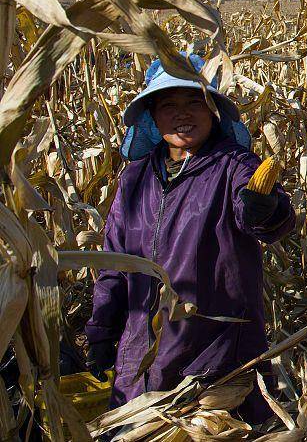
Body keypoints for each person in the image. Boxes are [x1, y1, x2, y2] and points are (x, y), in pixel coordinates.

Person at [85, 53, 295, 423]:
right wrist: (102, 331)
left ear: (213, 110)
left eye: (194, 102)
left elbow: (265, 219)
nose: (183, 115)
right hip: (140, 353)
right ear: (152, 116)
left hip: (214, 354)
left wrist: (267, 210)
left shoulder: (234, 165)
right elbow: (114, 264)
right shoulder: (135, 180)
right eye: (169, 105)